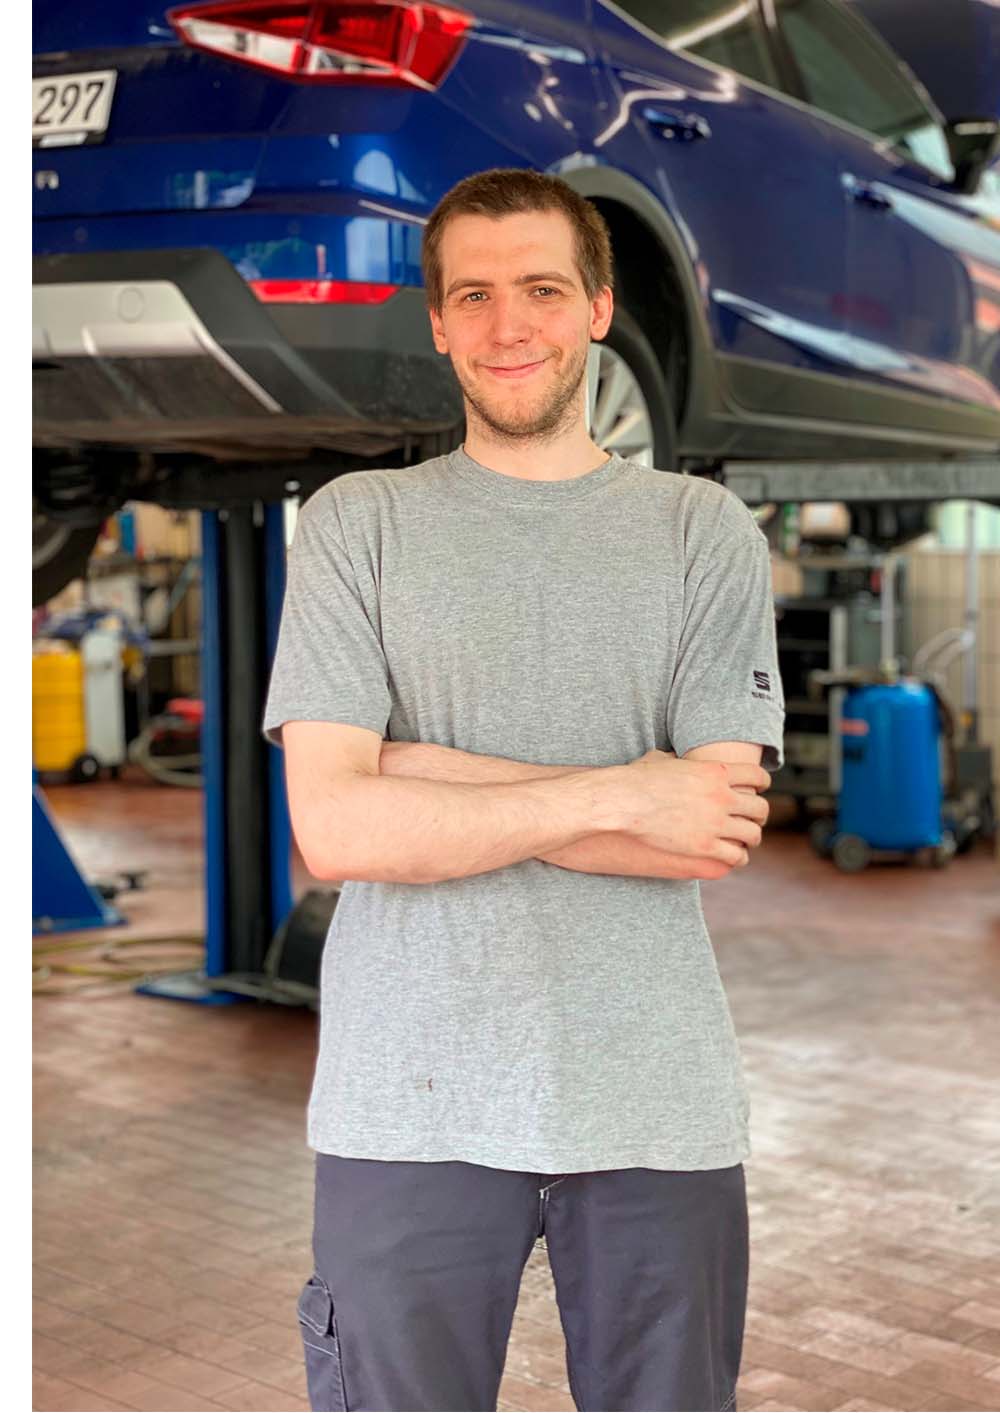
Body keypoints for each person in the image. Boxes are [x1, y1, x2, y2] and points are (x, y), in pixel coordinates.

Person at [263, 167, 785, 1413]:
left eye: (543, 290)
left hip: (653, 1100)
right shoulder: (356, 525)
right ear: (437, 323)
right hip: (406, 1104)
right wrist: (625, 791)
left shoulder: (700, 532)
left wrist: (423, 771)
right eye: (474, 296)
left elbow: (705, 830)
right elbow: (335, 828)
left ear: (598, 308)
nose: (510, 325)